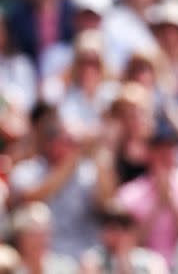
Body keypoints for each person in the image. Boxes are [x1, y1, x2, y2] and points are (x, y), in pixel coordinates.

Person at [9, 109, 117, 260]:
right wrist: (69, 164)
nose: (75, 147)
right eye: (69, 141)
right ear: (50, 142)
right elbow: (30, 199)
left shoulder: (89, 172)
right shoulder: (28, 170)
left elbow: (107, 205)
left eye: (77, 143)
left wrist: (100, 158)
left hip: (86, 256)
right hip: (45, 255)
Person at [115, 127, 178, 265]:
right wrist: (157, 205)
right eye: (159, 149)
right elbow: (128, 243)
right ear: (149, 153)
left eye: (170, 149)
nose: (165, 155)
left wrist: (171, 202)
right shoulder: (130, 194)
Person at [79, 201, 168, 274]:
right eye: (110, 227)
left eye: (123, 226)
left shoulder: (152, 261)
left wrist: (124, 261)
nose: (117, 233)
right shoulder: (92, 259)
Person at [8, 201, 77, 274]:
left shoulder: (65, 267)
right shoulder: (9, 269)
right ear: (20, 238)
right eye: (33, 234)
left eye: (44, 234)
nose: (40, 240)